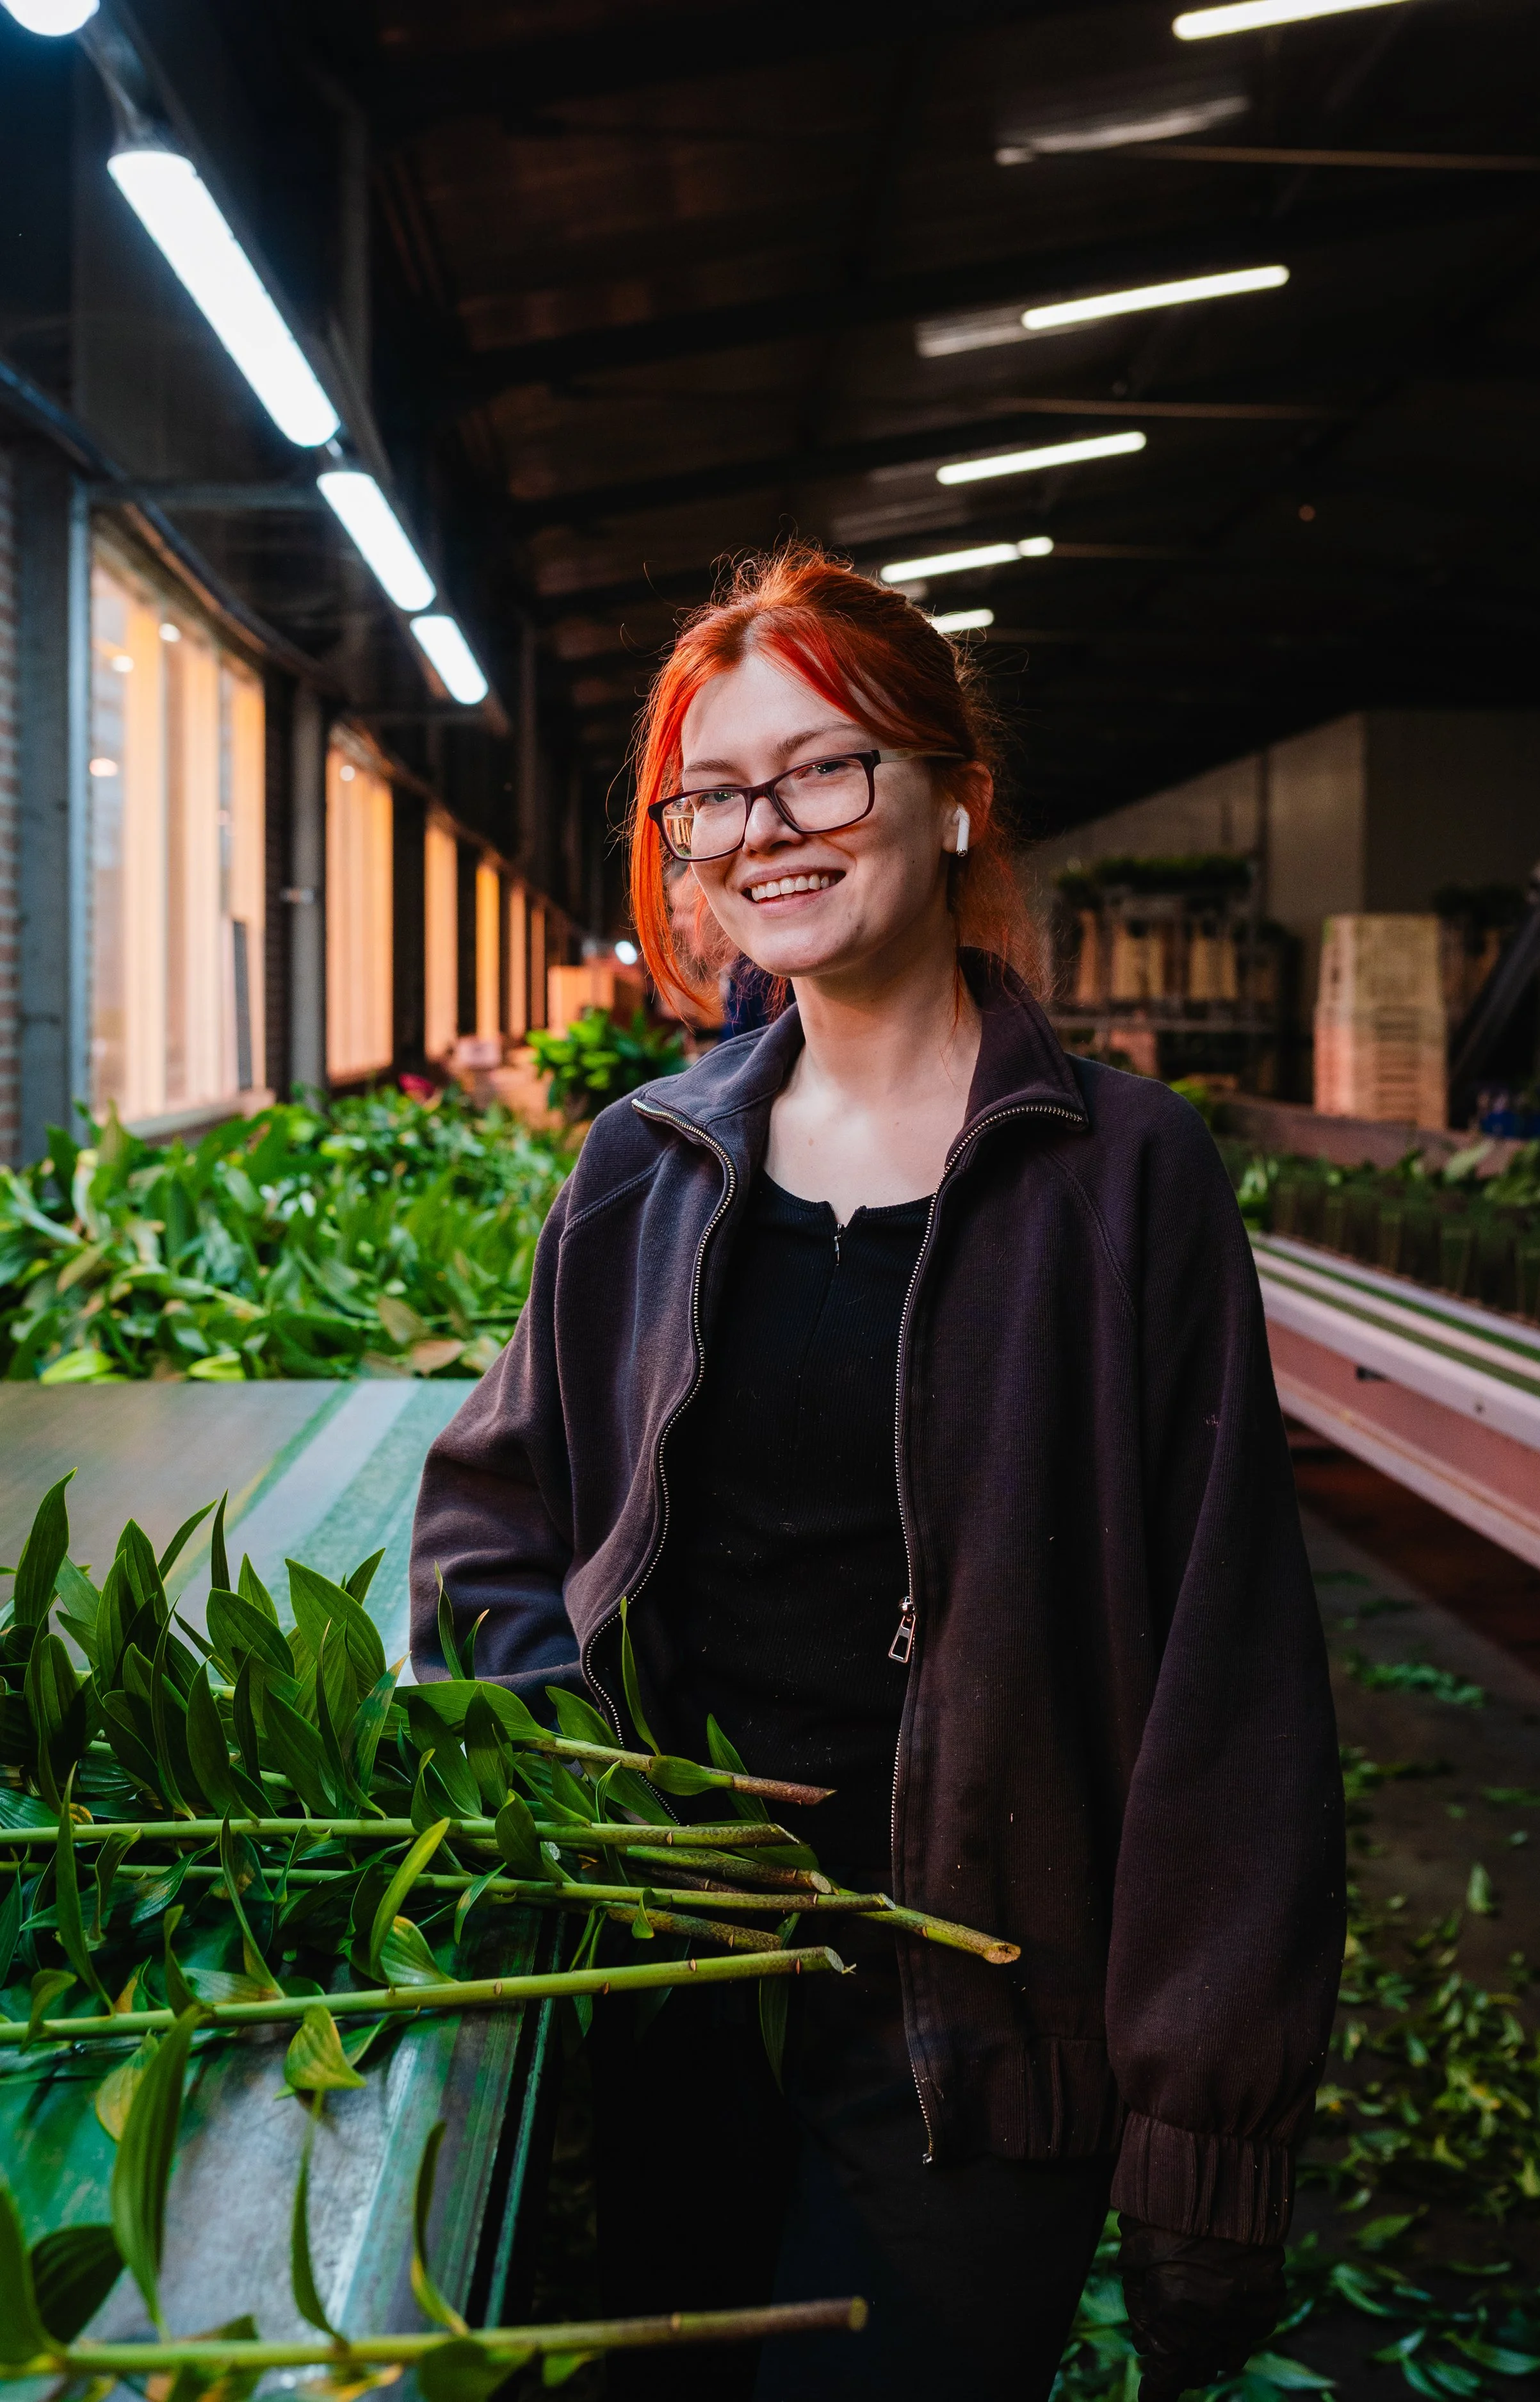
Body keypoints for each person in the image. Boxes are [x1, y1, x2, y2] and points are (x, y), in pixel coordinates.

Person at [409, 547, 1345, 2401]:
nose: (769, 829)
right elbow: (489, 1532)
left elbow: (1228, 1683)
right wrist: (584, 1786)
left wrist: (1205, 2132)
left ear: (949, 788)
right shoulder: (644, 1166)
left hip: (978, 2018)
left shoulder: (1121, 1178)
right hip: (669, 1988)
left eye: (824, 767)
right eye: (717, 794)